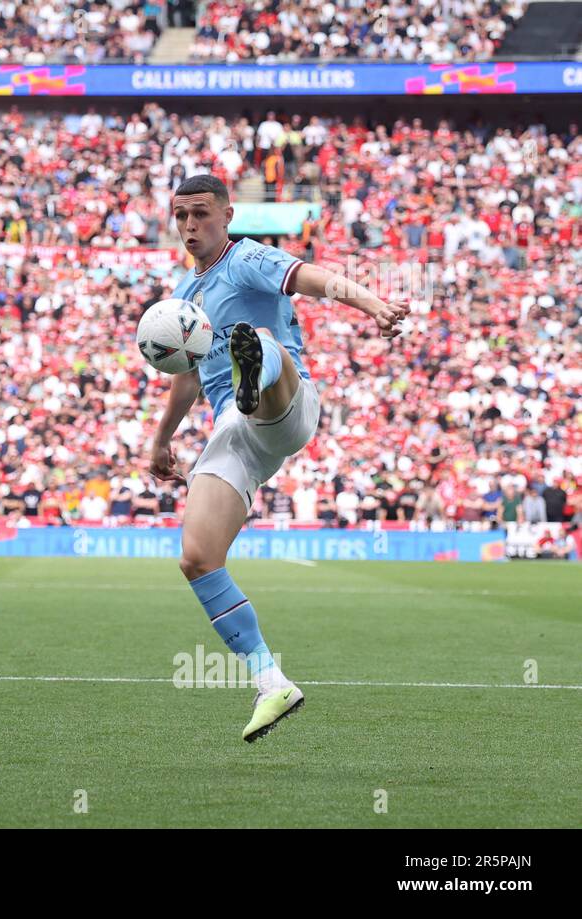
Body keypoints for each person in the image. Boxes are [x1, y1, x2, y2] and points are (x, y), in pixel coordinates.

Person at [149, 174, 408, 742]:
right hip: (235, 432)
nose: (191, 225)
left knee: (255, 340)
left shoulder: (245, 258)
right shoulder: (183, 296)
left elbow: (310, 277)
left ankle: (255, 368)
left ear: (227, 216)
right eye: (181, 216)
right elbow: (187, 379)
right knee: (197, 557)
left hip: (289, 404)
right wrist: (161, 439)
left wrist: (373, 305)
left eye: (201, 214)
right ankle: (272, 683)